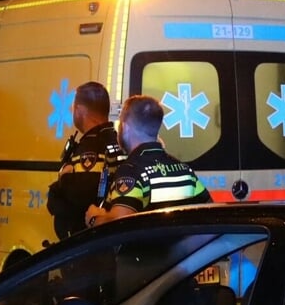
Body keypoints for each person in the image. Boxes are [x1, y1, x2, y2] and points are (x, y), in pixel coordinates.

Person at [86, 94, 208, 228]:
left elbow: (118, 227)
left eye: (120, 123)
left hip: (148, 249)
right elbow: (211, 214)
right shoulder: (185, 170)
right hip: (183, 249)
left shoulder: (131, 171)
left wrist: (94, 218)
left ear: (125, 127)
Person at [46, 81, 125, 241]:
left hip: (85, 242)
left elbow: (78, 200)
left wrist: (63, 180)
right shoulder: (116, 139)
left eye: (73, 108)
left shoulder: (90, 149)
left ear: (80, 110)